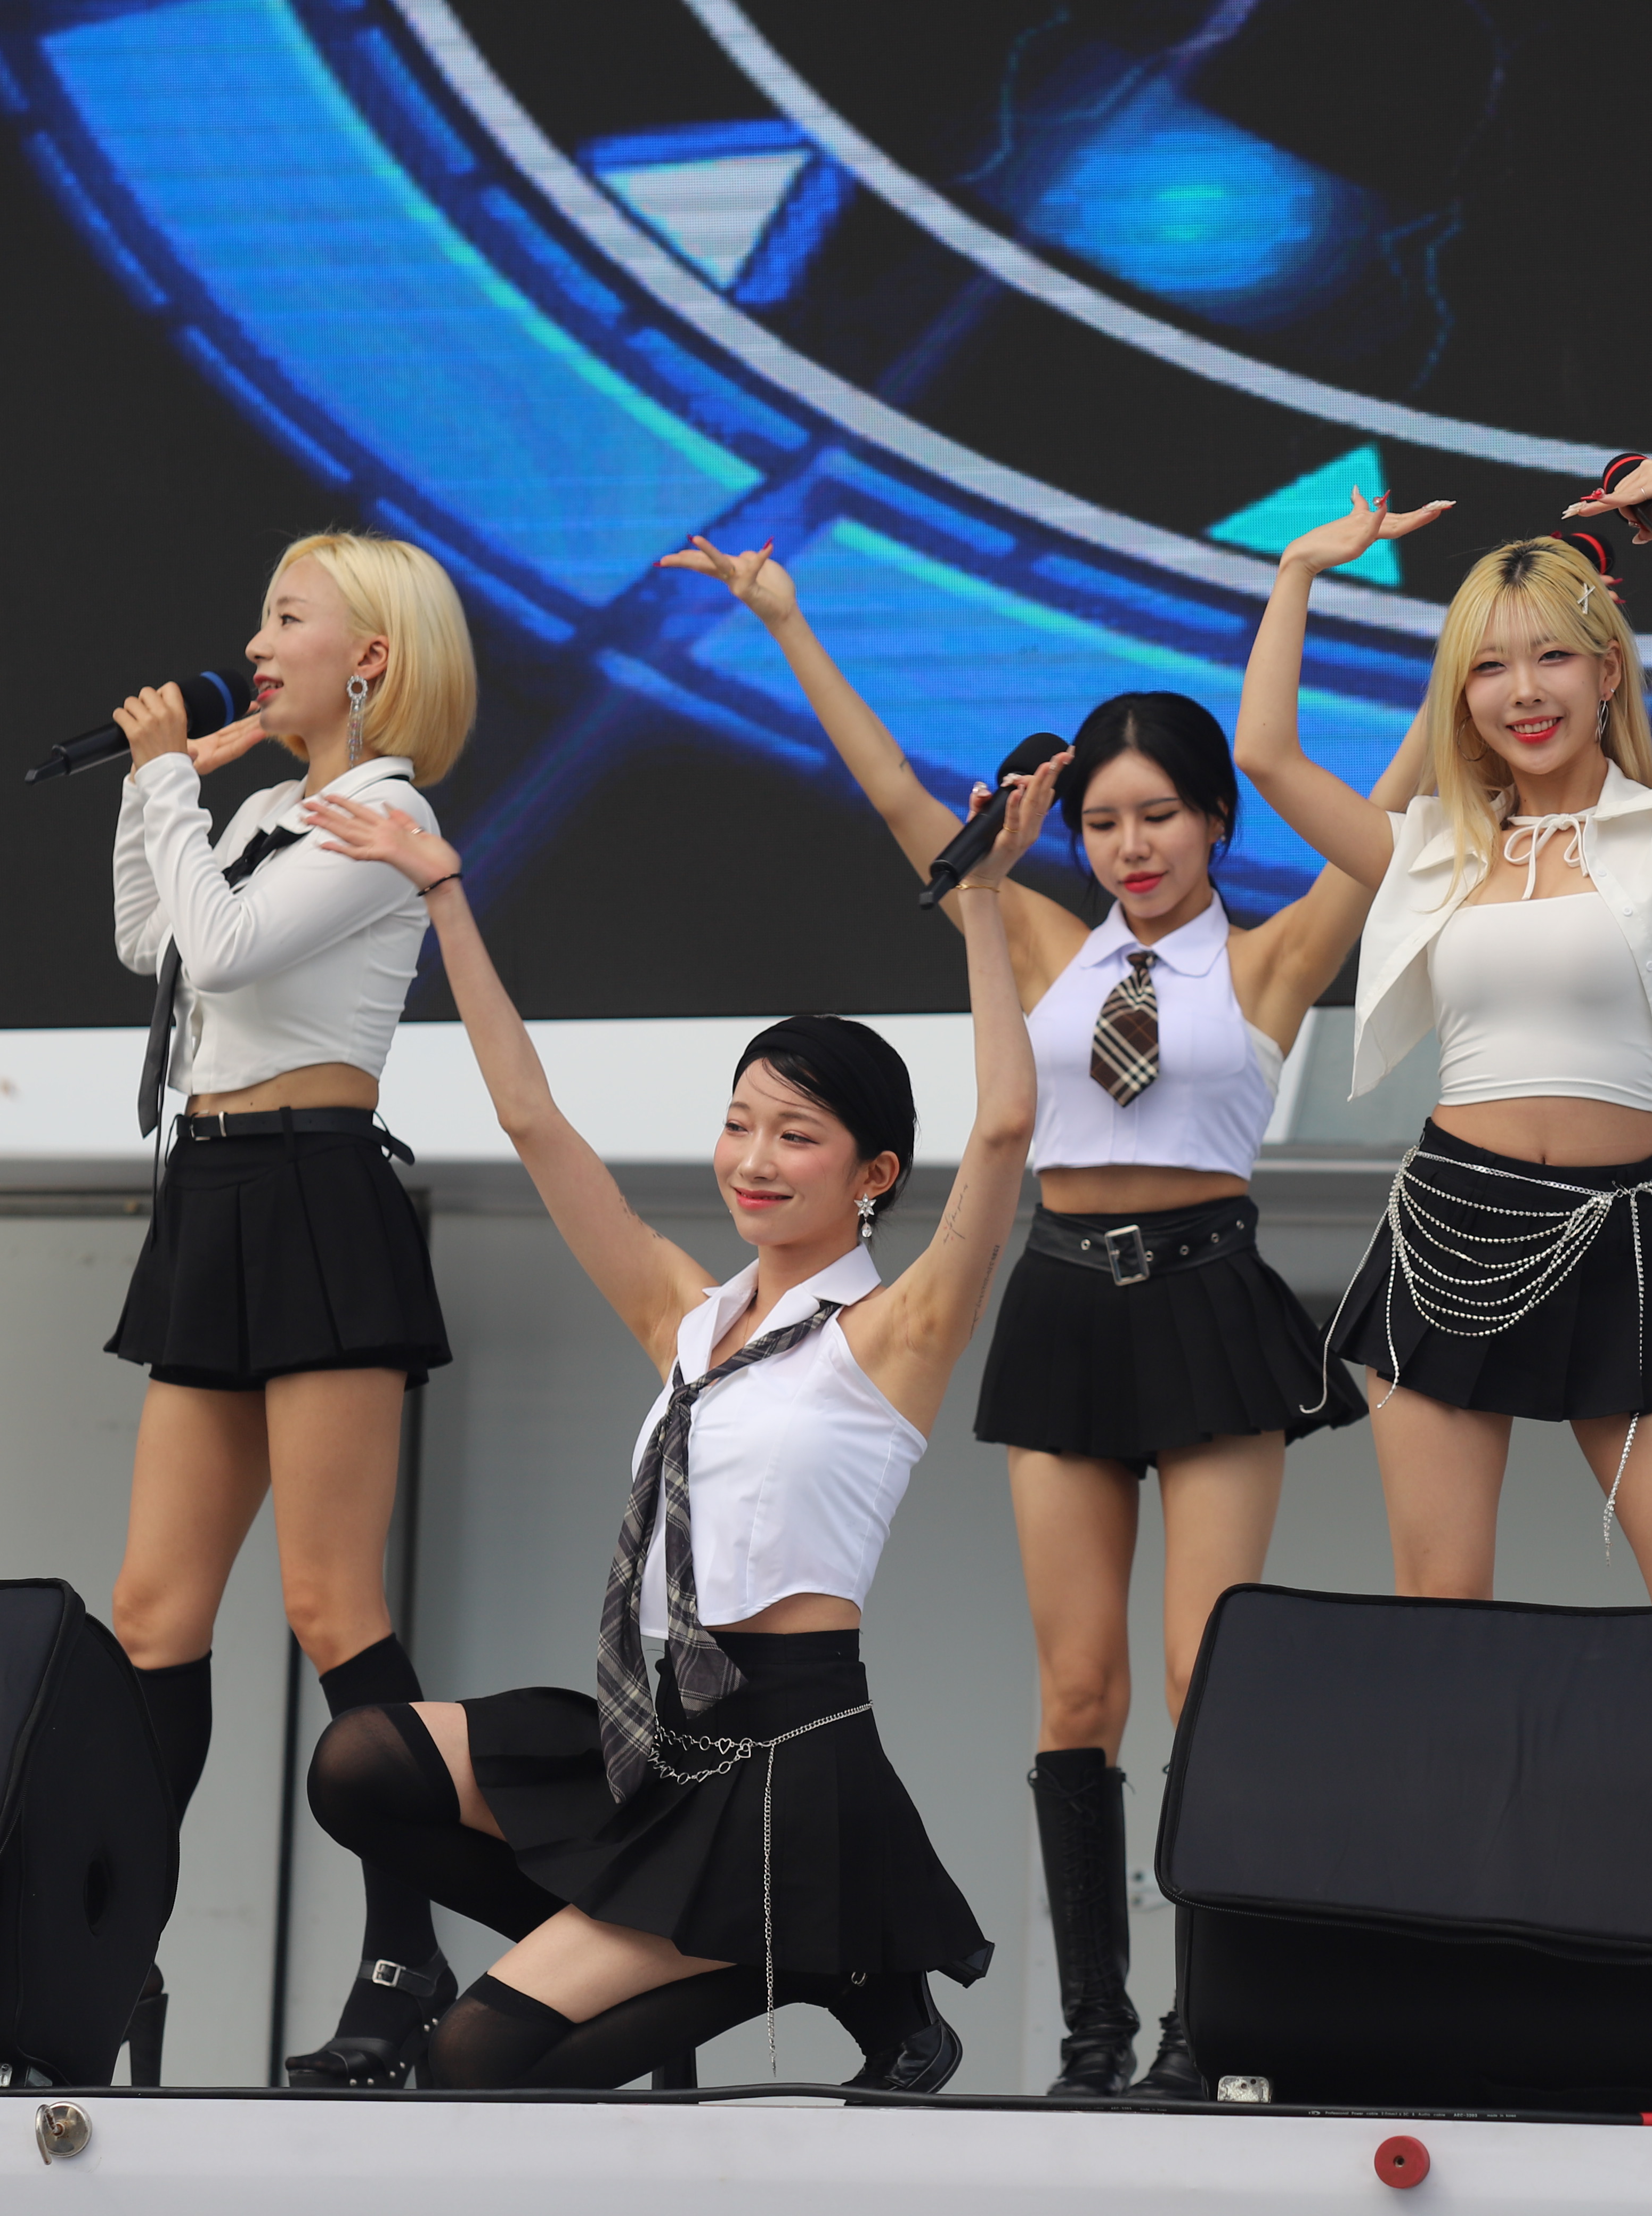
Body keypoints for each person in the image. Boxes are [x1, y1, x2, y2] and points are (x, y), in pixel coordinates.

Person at [660, 532, 1414, 2100]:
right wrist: (786, 619)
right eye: (1106, 820)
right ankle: (1094, 2034)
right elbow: (898, 803)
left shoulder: (1272, 958)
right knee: (1078, 1690)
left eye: (1161, 816)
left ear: (1218, 821)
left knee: (1209, 1680)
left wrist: (1303, 582)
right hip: (1066, 1301)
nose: (1132, 846)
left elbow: (1393, 806)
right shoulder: (1045, 940)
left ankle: (1208, 2028)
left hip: (1211, 1300)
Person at [289, 749, 1056, 2092]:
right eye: (740, 1123)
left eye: (796, 1136)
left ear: (873, 1175)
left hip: (785, 1766)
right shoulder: (689, 1318)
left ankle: (808, 1957)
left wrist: (984, 899)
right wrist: (446, 893)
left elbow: (1002, 1132)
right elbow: (532, 1122)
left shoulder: (897, 1333)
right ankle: (742, 1951)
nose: (754, 1160)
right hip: (652, 1736)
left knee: (475, 2063)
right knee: (362, 1762)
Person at [1232, 468, 1652, 1603]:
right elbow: (1267, 754)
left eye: (1553, 657)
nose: (1523, 691)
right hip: (1453, 1235)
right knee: (1443, 1610)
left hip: (1625, 1232)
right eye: (1488, 666)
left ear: (1607, 669)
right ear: (1459, 696)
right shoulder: (1434, 848)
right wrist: (1298, 570)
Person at [101, 530, 477, 2087]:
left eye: (287, 618)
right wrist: (159, 795)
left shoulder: (387, 816)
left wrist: (167, 785)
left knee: (330, 1606)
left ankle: (405, 1955)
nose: (256, 646)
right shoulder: (265, 811)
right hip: (211, 1192)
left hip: (317, 1192)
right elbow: (154, 944)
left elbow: (229, 942)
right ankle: (112, 1954)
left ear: (370, 656)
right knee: (151, 1611)